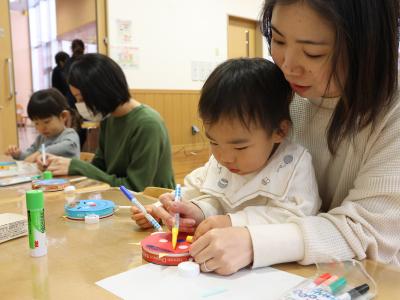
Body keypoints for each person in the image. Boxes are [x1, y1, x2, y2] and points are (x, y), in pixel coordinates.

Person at [167, 0, 399, 275]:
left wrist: (255, 242)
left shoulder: (390, 113)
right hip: (285, 273)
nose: (288, 67)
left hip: (366, 280)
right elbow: (237, 185)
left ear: (367, 48)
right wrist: (201, 209)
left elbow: (371, 232)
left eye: (312, 53)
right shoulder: (282, 94)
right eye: (277, 40)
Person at [132, 58, 321, 241]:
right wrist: (182, 209)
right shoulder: (222, 158)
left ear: (280, 131)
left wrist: (231, 221)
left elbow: (296, 219)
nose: (224, 157)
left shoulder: (294, 164)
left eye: (240, 146)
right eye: (213, 142)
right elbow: (205, 194)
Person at [37, 53, 175, 192]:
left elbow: (136, 187)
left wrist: (76, 166)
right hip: (120, 199)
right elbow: (99, 168)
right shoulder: (109, 119)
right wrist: (61, 163)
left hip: (154, 204)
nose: (79, 105)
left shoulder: (147, 124)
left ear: (101, 92)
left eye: (80, 98)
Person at [5, 88, 80, 162]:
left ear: (63, 116)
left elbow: (68, 146)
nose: (41, 128)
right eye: (36, 123)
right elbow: (29, 156)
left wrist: (41, 152)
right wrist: (18, 154)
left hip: (69, 174)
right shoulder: (41, 138)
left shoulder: (70, 134)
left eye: (46, 122)